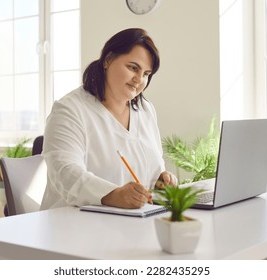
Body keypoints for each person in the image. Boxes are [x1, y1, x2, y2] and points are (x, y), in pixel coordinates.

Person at [40, 28, 177, 210]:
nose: (139, 79)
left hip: (131, 224)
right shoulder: (69, 110)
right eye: (133, 68)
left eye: (146, 74)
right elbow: (66, 173)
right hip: (73, 224)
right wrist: (113, 195)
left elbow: (154, 166)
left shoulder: (146, 110)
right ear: (108, 60)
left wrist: (162, 180)